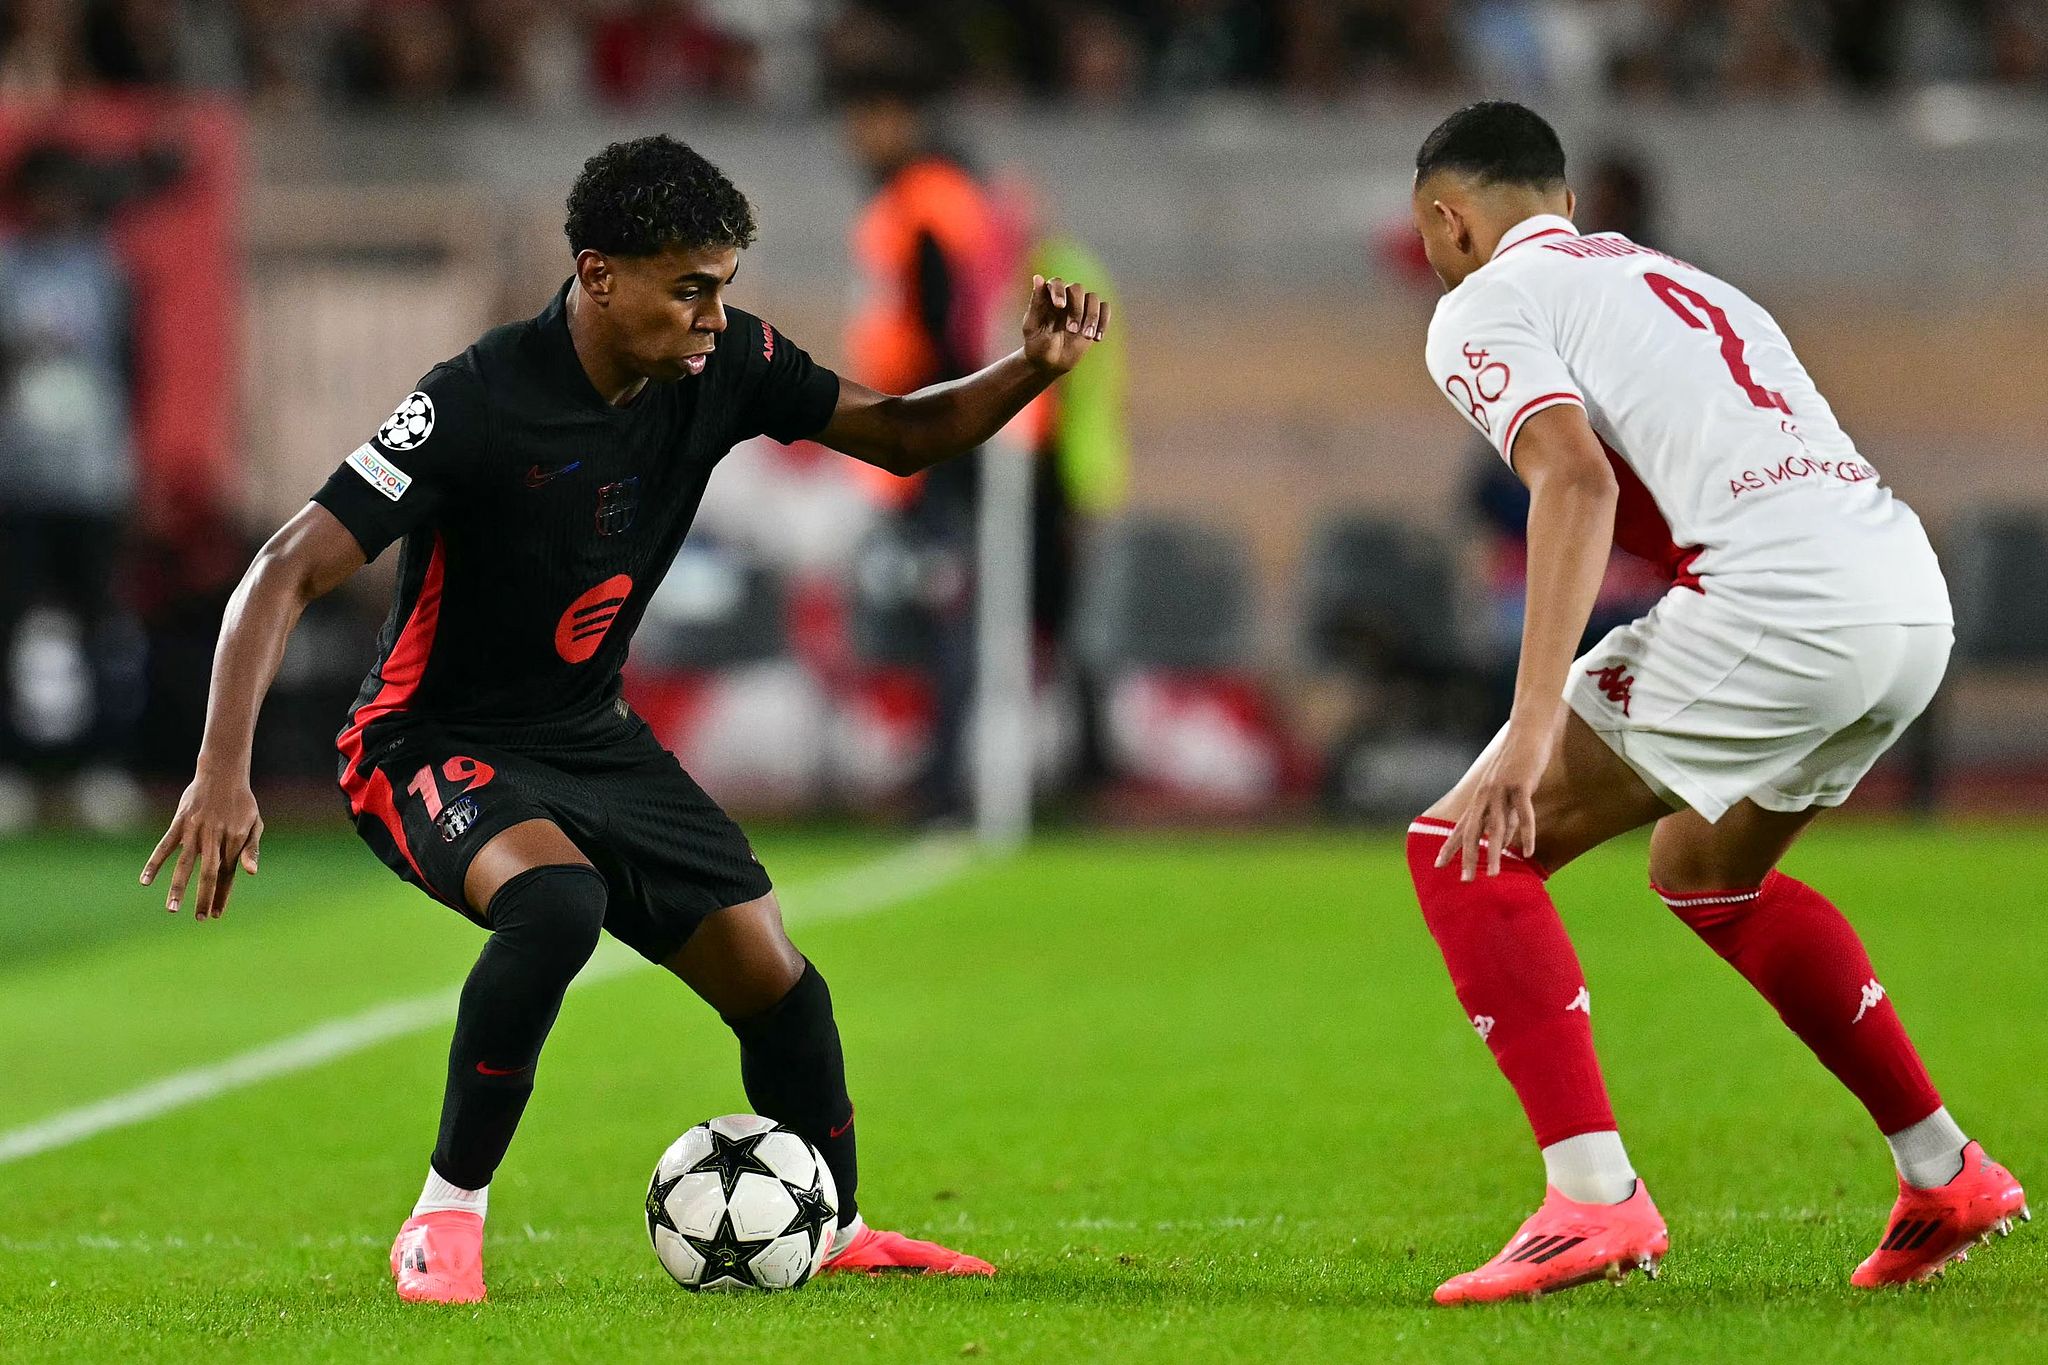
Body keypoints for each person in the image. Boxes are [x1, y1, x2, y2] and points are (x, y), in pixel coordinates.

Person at [139, 135, 1110, 1304]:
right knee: (557, 905)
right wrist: (221, 769)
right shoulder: (474, 401)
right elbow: (284, 568)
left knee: (777, 980)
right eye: (688, 287)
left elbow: (901, 434)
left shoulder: (729, 366)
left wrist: (1028, 368)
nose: (712, 316)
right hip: (427, 741)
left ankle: (837, 1222)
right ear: (599, 275)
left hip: (588, 735)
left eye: (722, 288)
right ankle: (443, 1220)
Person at [1402, 102, 2024, 1305]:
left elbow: (1571, 479)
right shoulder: (1684, 282)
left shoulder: (1479, 303)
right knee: (1702, 871)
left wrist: (1531, 726)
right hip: (1902, 600)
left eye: (1428, 237)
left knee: (1461, 847)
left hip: (1780, 611)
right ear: (1566, 203)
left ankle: (1591, 1201)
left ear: (1449, 219)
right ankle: (1943, 1171)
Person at [838, 63, 1007, 822]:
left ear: (897, 114)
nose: (855, 138)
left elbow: (954, 334)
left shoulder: (930, 204)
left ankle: (948, 783)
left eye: (866, 118)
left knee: (953, 611)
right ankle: (937, 770)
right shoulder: (914, 201)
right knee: (933, 611)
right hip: (912, 446)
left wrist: (935, 432)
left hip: (937, 446)